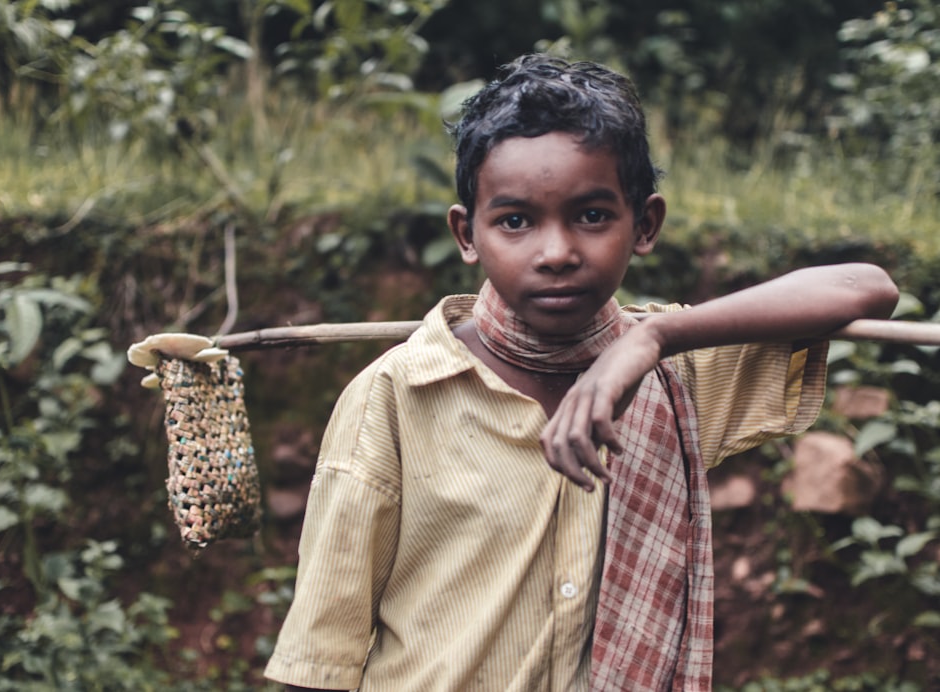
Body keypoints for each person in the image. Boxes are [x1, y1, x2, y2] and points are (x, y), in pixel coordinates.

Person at [263, 54, 899, 691]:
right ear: (467, 234)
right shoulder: (394, 397)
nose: (557, 252)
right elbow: (319, 659)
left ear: (644, 225)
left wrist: (652, 337)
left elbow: (865, 287)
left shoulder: (679, 376)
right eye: (515, 221)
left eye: (592, 216)